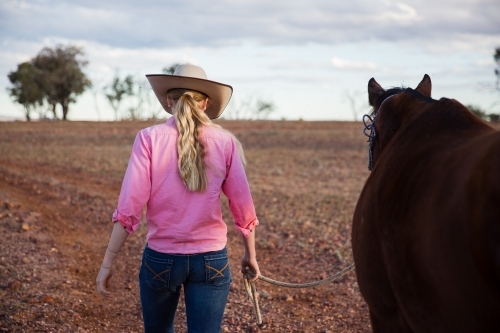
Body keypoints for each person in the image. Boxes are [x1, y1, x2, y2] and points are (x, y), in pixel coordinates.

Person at [96, 64, 260, 333]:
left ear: (169, 101)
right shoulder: (225, 142)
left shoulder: (148, 139)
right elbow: (243, 208)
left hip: (161, 258)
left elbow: (129, 209)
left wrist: (107, 263)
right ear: (205, 103)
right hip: (211, 259)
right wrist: (250, 255)